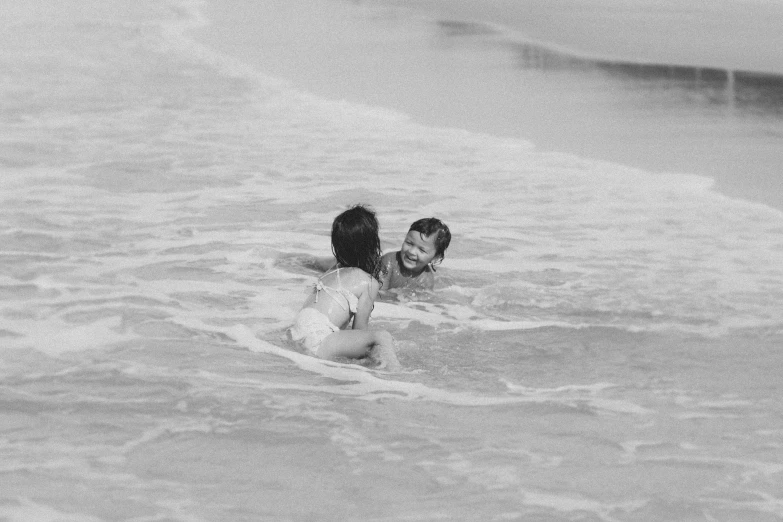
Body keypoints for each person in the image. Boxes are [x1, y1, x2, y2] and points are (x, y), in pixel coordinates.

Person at [289, 205, 400, 370]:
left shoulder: (332, 270)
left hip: (295, 334)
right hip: (317, 340)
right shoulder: (368, 282)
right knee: (382, 337)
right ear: (371, 245)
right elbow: (359, 332)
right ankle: (397, 375)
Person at [380, 217, 451, 292]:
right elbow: (378, 293)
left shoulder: (426, 281)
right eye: (409, 243)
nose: (411, 251)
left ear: (435, 258)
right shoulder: (389, 261)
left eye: (421, 250)